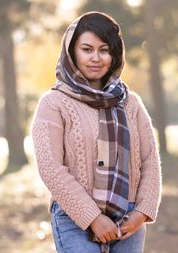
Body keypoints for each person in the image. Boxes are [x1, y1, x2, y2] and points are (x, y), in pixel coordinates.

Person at [31, 11, 162, 253]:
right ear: (72, 52)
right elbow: (50, 168)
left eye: (104, 50)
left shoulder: (131, 103)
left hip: (129, 218)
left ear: (114, 55)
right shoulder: (53, 103)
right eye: (87, 49)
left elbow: (150, 160)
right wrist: (93, 218)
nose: (96, 58)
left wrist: (142, 212)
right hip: (74, 218)